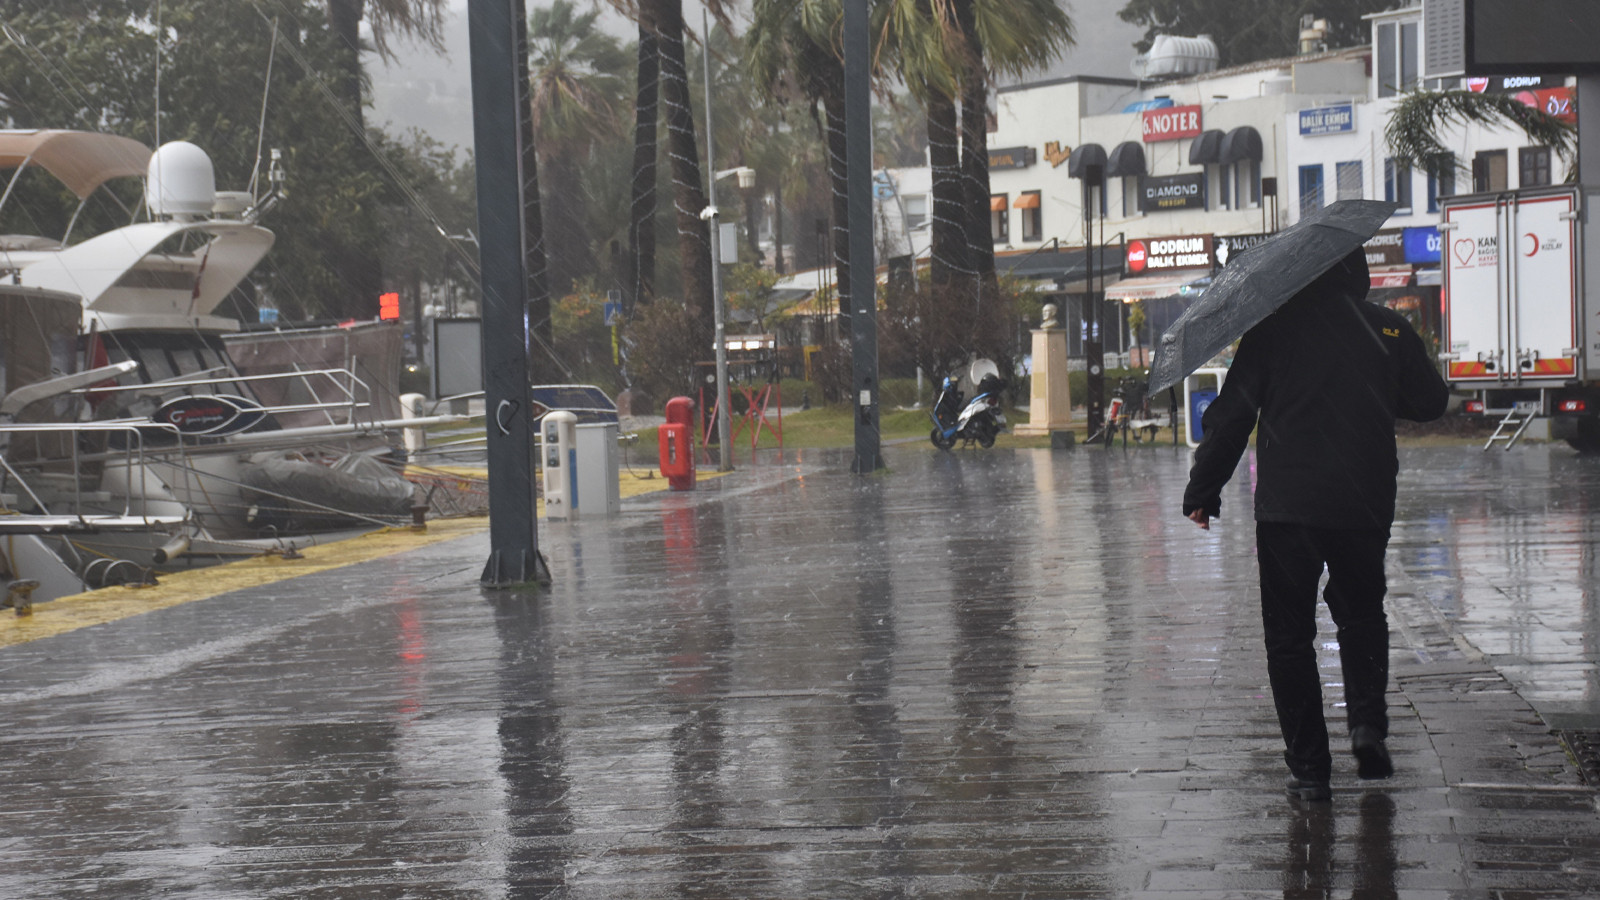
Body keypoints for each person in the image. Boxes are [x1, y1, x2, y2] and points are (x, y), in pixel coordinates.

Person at [1182, 248, 1449, 802]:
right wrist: (1376, 383)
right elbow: (1431, 401)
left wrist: (1203, 490)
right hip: (1363, 504)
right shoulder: (1388, 330)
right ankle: (1367, 727)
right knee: (1360, 617)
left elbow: (1232, 418)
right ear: (1360, 276)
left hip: (1288, 512)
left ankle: (1310, 770)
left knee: (1289, 639)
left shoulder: (1271, 334)